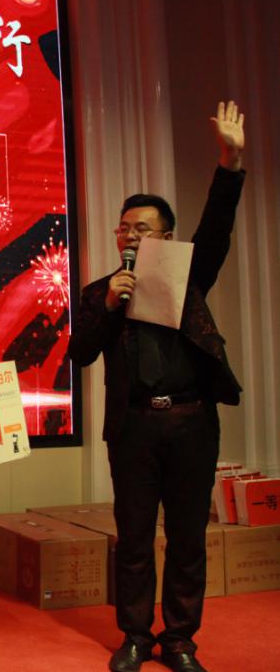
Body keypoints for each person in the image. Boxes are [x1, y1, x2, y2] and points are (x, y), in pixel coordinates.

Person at [68, 101, 246, 672]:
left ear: (166, 237)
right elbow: (80, 353)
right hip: (134, 426)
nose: (129, 235)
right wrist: (110, 306)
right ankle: (136, 636)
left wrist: (230, 163)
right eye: (124, 227)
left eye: (141, 228)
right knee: (135, 537)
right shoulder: (101, 292)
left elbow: (215, 231)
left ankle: (181, 639)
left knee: (188, 537)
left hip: (191, 422)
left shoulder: (186, 277)